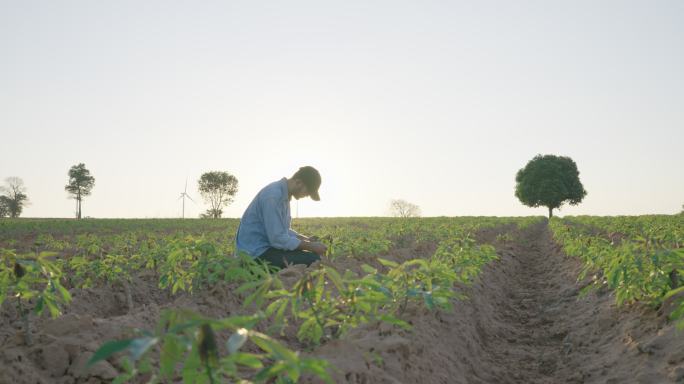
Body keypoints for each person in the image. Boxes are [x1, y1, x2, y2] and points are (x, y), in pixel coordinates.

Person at [235, 166, 328, 269]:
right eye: (307, 192)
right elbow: (277, 239)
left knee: (310, 256)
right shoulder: (274, 196)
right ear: (298, 182)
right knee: (314, 260)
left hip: (267, 248)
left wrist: (306, 240)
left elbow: (284, 230)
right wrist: (311, 247)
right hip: (255, 254)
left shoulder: (284, 196)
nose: (306, 196)